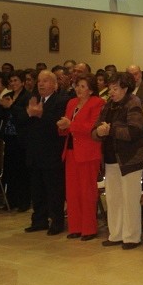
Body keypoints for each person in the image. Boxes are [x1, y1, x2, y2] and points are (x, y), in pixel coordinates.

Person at [92, 72, 143, 250]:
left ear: (125, 88)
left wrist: (111, 130)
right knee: (113, 198)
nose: (111, 92)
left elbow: (134, 132)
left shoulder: (133, 103)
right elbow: (94, 130)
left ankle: (132, 237)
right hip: (111, 159)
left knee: (130, 199)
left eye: (115, 89)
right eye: (110, 89)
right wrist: (98, 132)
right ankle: (115, 234)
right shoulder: (108, 105)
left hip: (130, 158)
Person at [57, 74, 104, 241]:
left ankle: (89, 228)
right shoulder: (71, 103)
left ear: (91, 89)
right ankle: (75, 227)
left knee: (87, 191)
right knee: (72, 191)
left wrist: (71, 125)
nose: (79, 89)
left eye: (83, 86)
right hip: (70, 151)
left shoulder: (97, 103)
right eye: (77, 86)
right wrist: (62, 126)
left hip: (88, 152)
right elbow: (66, 128)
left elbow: (92, 126)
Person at [23, 70, 69, 235]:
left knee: (54, 190)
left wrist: (41, 114)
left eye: (45, 81)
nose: (41, 84)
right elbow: (26, 125)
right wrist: (29, 114)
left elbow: (59, 124)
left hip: (52, 153)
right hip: (35, 153)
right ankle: (39, 220)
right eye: (39, 81)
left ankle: (57, 222)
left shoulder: (61, 101)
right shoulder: (34, 101)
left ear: (55, 85)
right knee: (37, 189)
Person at [0, 70, 31, 212]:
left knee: (21, 171)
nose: (13, 83)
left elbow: (25, 116)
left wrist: (12, 106)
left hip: (21, 138)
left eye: (16, 80)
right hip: (8, 137)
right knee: (10, 170)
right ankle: (10, 200)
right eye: (11, 81)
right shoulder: (7, 96)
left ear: (22, 82)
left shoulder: (27, 97)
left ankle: (23, 201)